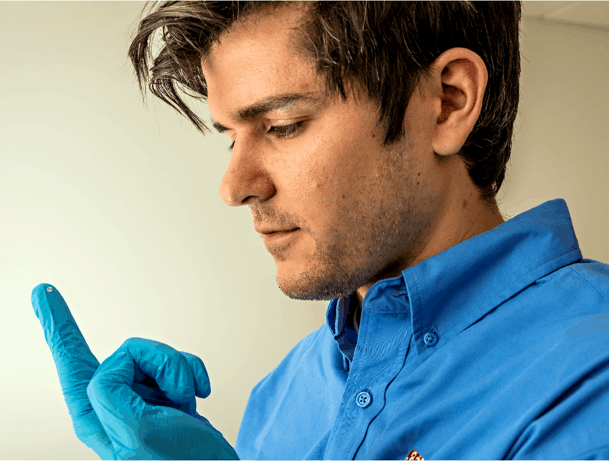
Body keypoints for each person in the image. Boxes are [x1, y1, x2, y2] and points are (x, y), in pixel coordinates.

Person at [31, 1, 609, 460]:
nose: (235, 186)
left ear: (446, 102)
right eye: (233, 136)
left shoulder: (588, 378)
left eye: (283, 125)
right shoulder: (280, 397)